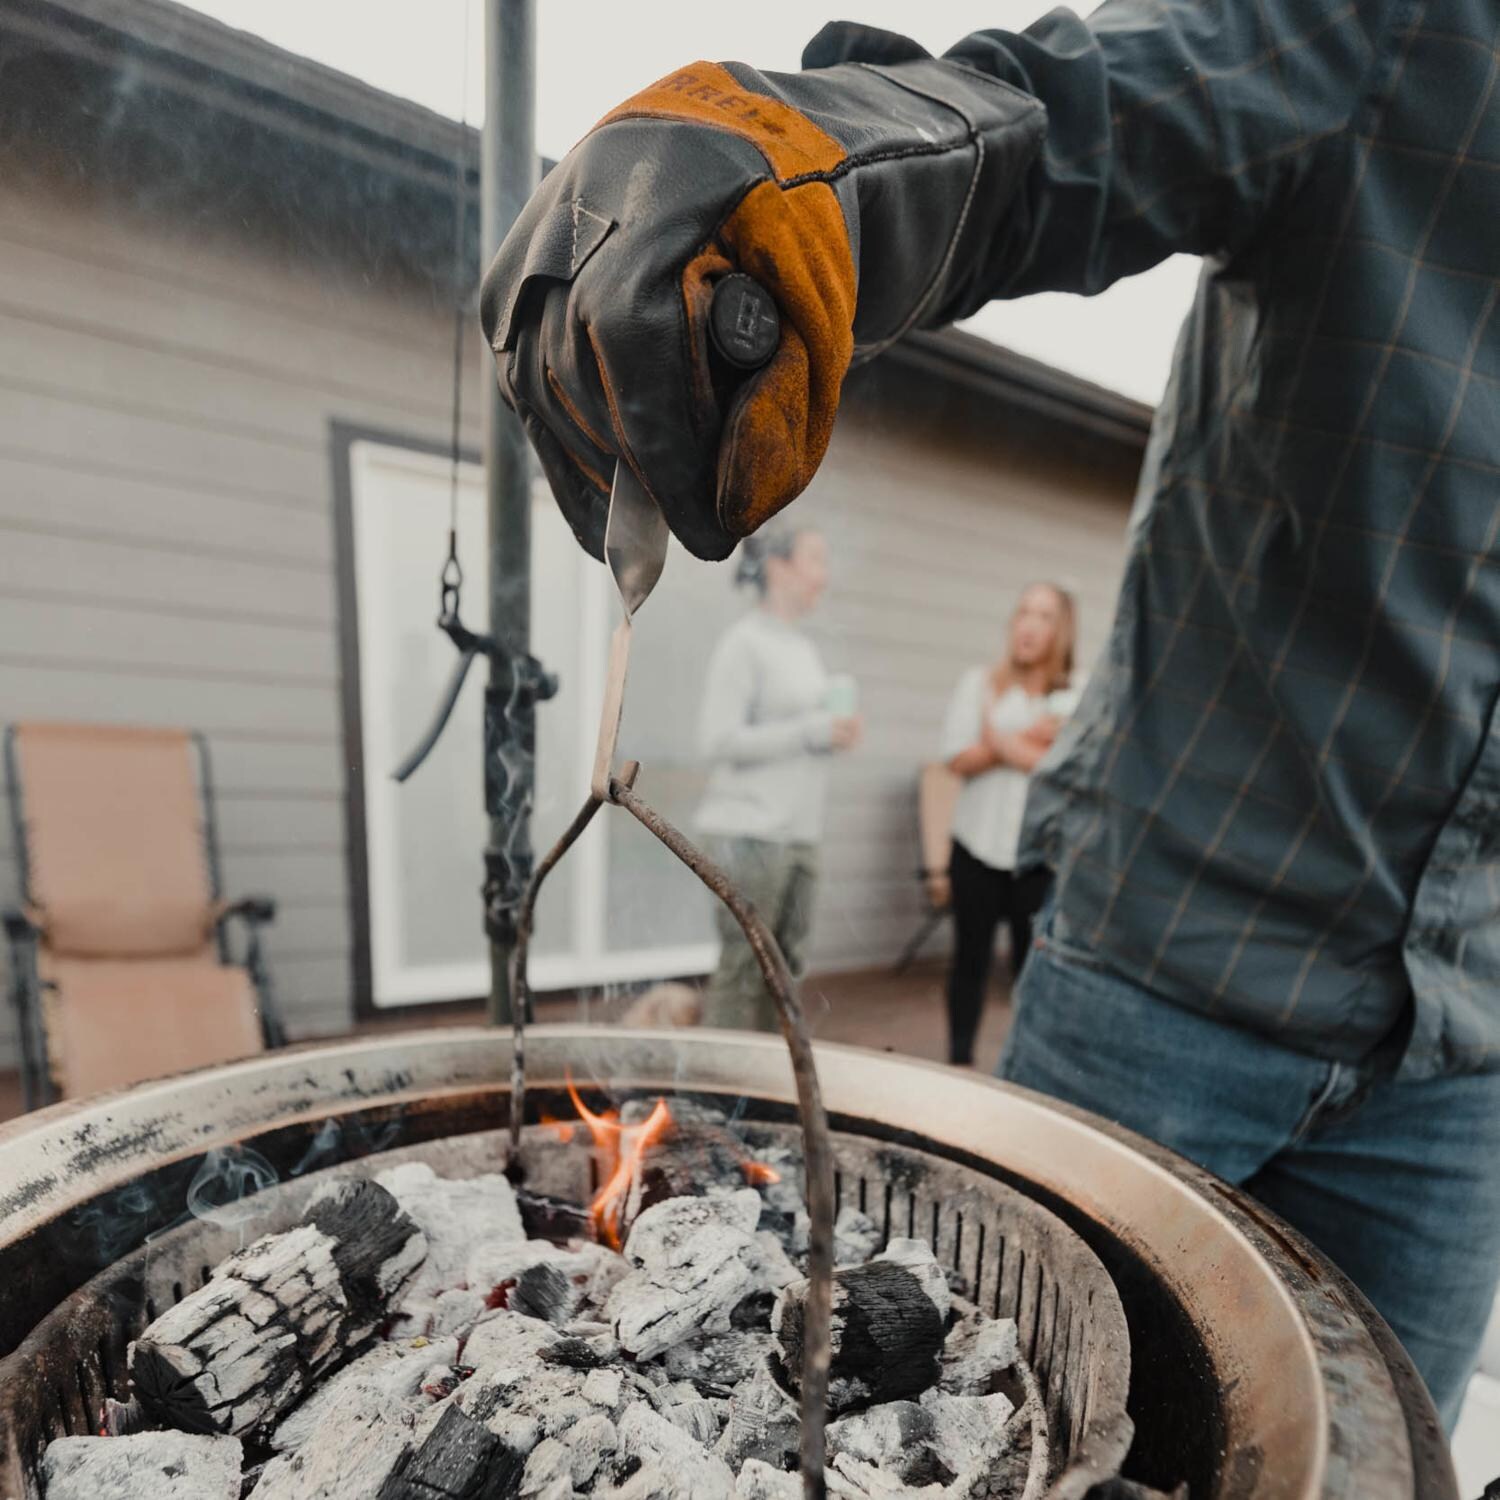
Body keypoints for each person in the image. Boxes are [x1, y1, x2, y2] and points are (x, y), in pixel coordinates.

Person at [481, 0, 1500, 1429]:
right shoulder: (1420, 36)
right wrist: (812, 159)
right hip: (1170, 974)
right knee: (1001, 1411)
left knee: (1378, 1457)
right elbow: (1074, 124)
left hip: (1463, 1067)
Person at [693, 526, 861, 1031]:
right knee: (745, 967)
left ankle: (764, 1087)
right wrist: (810, 731)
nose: (824, 577)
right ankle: (713, 1094)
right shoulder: (742, 644)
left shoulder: (803, 649)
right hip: (748, 833)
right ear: (777, 567)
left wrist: (834, 732)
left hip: (799, 834)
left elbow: (803, 736)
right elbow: (717, 741)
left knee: (786, 970)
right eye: (815, 560)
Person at [941, 584, 1078, 1066]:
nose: (1028, 624)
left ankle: (1025, 1072)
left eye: (1043, 615)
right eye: (1023, 611)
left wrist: (995, 740)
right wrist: (1027, 740)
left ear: (1060, 631)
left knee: (1031, 973)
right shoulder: (978, 683)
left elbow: (1062, 771)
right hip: (975, 848)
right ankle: (958, 1067)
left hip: (1036, 859)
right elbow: (958, 758)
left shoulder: (1073, 698)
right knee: (968, 964)